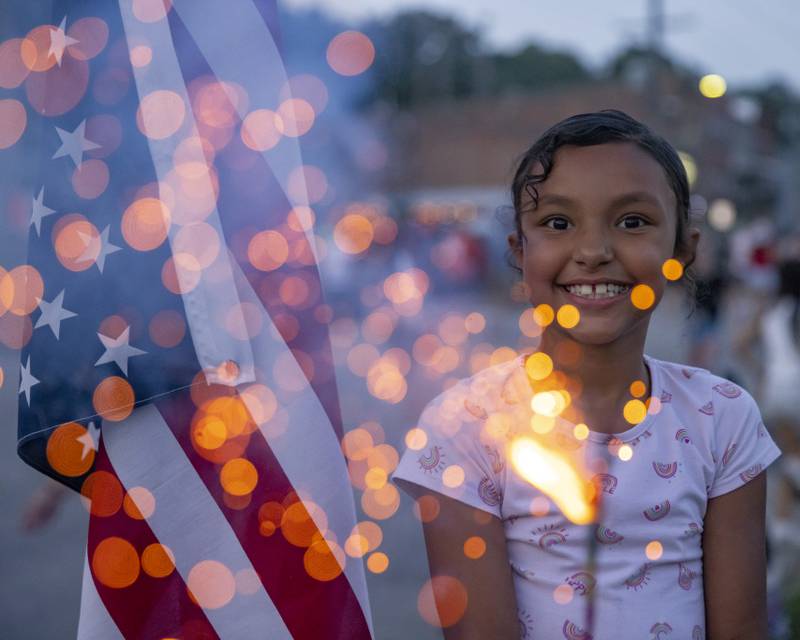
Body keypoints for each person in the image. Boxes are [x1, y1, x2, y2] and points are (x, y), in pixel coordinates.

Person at [393, 110, 781, 639]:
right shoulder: (469, 422)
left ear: (682, 250)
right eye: (557, 223)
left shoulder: (722, 417)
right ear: (519, 251)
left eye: (632, 222)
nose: (594, 252)